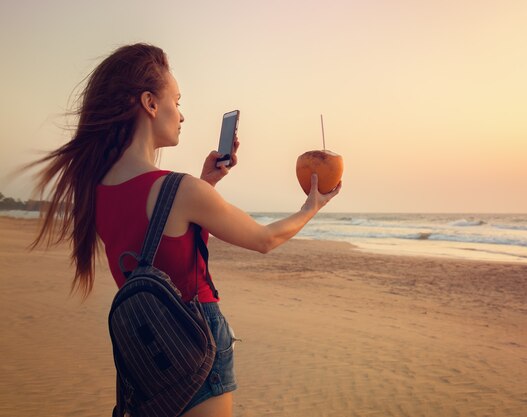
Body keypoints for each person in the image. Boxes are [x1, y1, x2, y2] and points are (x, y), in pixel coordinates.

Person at [28, 43, 341, 417]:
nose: (182, 114)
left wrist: (206, 181)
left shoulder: (98, 190)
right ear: (150, 103)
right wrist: (312, 205)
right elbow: (265, 239)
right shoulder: (180, 190)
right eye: (176, 100)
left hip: (145, 349)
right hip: (195, 342)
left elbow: (155, 233)